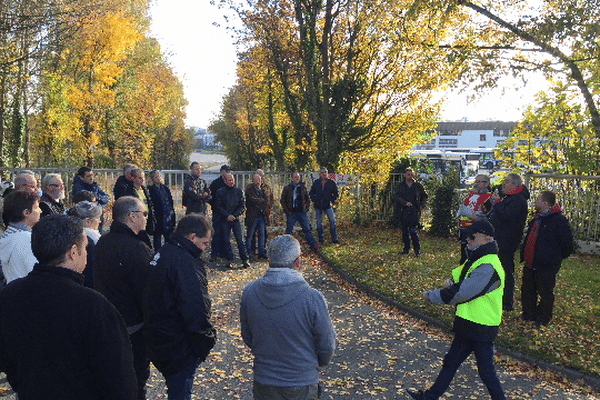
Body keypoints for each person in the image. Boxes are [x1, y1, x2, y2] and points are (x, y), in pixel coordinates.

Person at [0, 214, 138, 399]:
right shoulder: (93, 306)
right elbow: (120, 380)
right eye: (85, 248)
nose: (87, 254)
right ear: (73, 252)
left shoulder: (9, 295)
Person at [406, 219, 506, 400]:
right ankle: (429, 397)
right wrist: (452, 282)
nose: (468, 240)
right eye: (468, 236)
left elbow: (462, 292)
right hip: (468, 326)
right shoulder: (479, 258)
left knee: (486, 373)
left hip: (482, 328)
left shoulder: (489, 265)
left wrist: (431, 295)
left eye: (472, 237)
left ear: (486, 239)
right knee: (450, 363)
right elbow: (464, 277)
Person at [240, 235, 336, 400]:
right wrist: (311, 363)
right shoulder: (312, 298)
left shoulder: (250, 292)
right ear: (298, 261)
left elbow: (248, 336)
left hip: (264, 381)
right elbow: (327, 344)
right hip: (301, 383)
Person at [143, 215, 217, 400]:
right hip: (177, 348)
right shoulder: (185, 264)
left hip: (159, 339)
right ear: (192, 237)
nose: (205, 248)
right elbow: (196, 310)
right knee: (180, 392)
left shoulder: (163, 252)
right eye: (204, 243)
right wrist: (206, 341)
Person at [93, 196, 154, 400]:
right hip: (133, 327)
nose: (146, 217)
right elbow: (148, 291)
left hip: (106, 322)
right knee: (136, 380)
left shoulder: (103, 241)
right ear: (132, 216)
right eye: (144, 213)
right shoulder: (136, 249)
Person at [518, 190, 573, 327]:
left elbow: (567, 244)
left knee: (545, 292)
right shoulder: (536, 219)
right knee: (527, 289)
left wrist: (554, 258)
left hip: (546, 264)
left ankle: (543, 318)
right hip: (531, 261)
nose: (535, 201)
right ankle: (528, 314)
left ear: (545, 203)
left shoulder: (558, 220)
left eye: (537, 199)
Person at [488, 172, 530, 311]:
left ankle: (507, 302)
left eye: (506, 181)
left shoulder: (519, 200)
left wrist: (498, 203)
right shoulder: (510, 197)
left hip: (506, 241)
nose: (503, 184)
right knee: (497, 270)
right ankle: (498, 297)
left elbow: (507, 216)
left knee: (505, 271)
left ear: (515, 185)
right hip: (499, 239)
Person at [0, 191, 41, 284]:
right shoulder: (27, 240)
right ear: (26, 212)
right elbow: (35, 273)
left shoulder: (7, 236)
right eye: (37, 207)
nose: (40, 211)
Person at [215, 173, 250, 269]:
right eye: (229, 180)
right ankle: (229, 259)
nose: (231, 182)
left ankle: (245, 259)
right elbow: (218, 206)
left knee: (240, 240)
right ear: (225, 181)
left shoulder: (239, 191)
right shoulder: (220, 192)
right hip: (224, 219)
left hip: (235, 219)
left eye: (232, 180)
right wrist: (227, 215)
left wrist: (234, 215)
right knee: (226, 241)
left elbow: (242, 206)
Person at [456, 174, 493, 263]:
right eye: (475, 181)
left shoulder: (489, 197)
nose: (476, 184)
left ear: (486, 184)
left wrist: (476, 218)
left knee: (473, 258)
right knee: (464, 258)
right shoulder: (471, 194)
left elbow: (491, 217)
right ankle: (462, 276)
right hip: (464, 229)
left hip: (476, 232)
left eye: (479, 181)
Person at [67, 201, 103, 288]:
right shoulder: (89, 241)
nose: (100, 221)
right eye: (97, 218)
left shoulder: (69, 235)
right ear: (87, 221)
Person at [393, 168, 428, 257]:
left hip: (414, 211)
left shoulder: (417, 186)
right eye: (408, 174)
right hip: (403, 211)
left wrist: (421, 206)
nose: (410, 176)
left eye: (411, 174)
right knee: (404, 232)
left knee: (413, 231)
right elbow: (396, 196)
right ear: (404, 175)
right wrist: (405, 203)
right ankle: (406, 249)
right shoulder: (400, 185)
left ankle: (417, 251)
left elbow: (424, 196)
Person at [280, 172, 319, 251]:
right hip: (292, 212)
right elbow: (282, 201)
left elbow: (307, 199)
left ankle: (313, 246)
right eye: (295, 177)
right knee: (289, 230)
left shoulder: (302, 187)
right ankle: (285, 248)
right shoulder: (287, 188)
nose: (297, 178)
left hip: (302, 212)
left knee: (307, 229)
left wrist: (306, 208)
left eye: (298, 177)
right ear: (292, 179)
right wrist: (287, 211)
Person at [309, 167, 339, 244]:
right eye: (322, 172)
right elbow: (311, 193)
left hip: (328, 205)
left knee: (332, 221)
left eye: (325, 172)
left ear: (327, 173)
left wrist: (331, 200)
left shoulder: (331, 183)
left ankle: (334, 239)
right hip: (318, 205)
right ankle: (320, 239)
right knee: (319, 223)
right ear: (319, 174)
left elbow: (336, 193)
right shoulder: (316, 182)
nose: (324, 174)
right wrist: (314, 199)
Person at [148, 170, 176, 251]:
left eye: (159, 176)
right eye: (156, 177)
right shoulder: (150, 190)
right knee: (157, 237)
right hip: (158, 216)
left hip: (168, 216)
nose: (158, 178)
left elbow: (170, 202)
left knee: (169, 237)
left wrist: (172, 215)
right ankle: (157, 254)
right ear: (152, 179)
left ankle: (167, 254)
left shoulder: (165, 188)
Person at [245, 173, 271, 259]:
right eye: (256, 180)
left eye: (259, 180)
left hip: (261, 215)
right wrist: (261, 201)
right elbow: (251, 200)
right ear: (252, 181)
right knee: (250, 235)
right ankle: (248, 253)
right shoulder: (249, 189)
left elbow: (267, 201)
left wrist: (259, 201)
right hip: (252, 216)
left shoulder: (263, 190)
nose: (258, 182)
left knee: (262, 235)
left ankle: (261, 252)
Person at [208, 164, 231, 262]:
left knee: (225, 234)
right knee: (216, 233)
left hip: (227, 214)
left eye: (229, 171)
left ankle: (223, 253)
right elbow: (209, 197)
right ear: (222, 172)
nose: (227, 173)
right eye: (226, 171)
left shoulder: (230, 183)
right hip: (217, 213)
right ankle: (214, 254)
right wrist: (215, 206)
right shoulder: (215, 183)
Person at [130, 168, 157, 242]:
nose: (142, 180)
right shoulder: (130, 191)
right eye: (140, 178)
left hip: (146, 219)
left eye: (143, 178)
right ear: (133, 178)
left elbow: (149, 204)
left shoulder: (145, 190)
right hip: (137, 221)